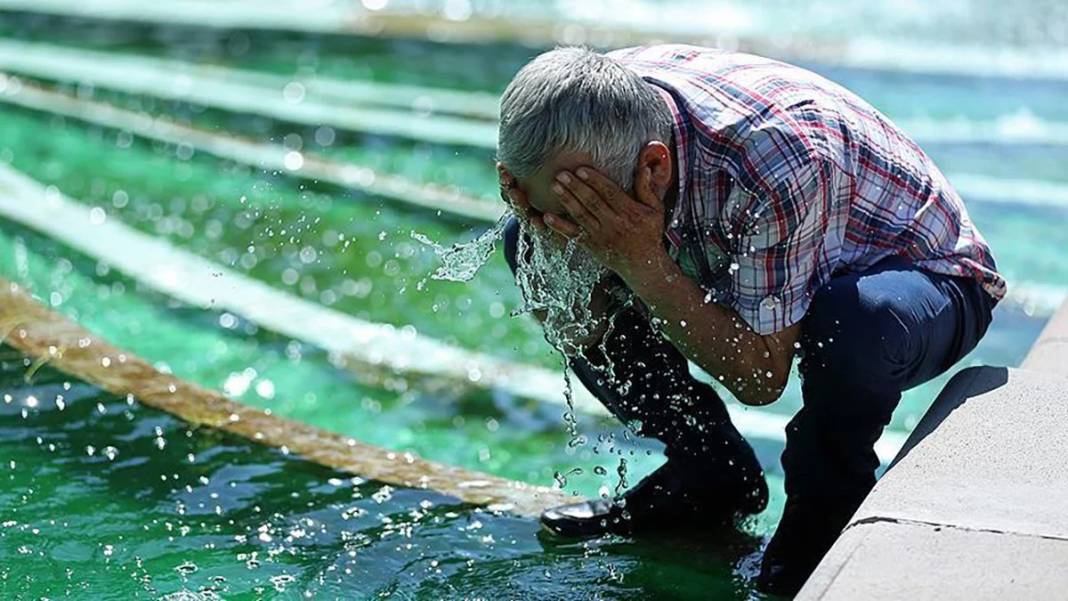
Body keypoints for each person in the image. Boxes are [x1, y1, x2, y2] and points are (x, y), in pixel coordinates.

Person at [495, 45, 1004, 595]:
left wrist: (640, 261)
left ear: (654, 167)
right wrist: (547, 238)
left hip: (926, 281)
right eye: (541, 206)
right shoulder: (564, 117)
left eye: (582, 214)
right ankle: (710, 473)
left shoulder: (776, 157)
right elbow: (576, 313)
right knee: (524, 244)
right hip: (753, 237)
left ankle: (822, 525)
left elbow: (761, 378)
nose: (563, 226)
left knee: (851, 320)